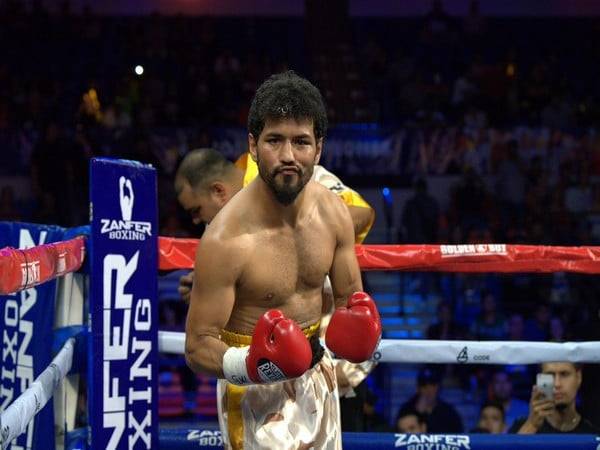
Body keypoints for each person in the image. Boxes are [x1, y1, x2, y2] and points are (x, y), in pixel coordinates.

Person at [184, 71, 382, 449]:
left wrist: (355, 335)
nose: (289, 156)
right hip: (252, 391)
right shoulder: (225, 239)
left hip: (318, 380)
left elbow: (349, 303)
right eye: (275, 140)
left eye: (301, 142)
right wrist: (252, 365)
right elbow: (197, 347)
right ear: (253, 146)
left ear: (318, 150)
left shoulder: (335, 215)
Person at [509, 362, 600, 434]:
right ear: (540, 380)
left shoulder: (592, 435)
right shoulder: (521, 428)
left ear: (578, 377)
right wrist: (532, 425)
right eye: (550, 375)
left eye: (564, 374)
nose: (557, 384)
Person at [397, 367, 463, 433]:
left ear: (438, 386)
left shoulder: (449, 412)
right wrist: (419, 413)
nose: (428, 389)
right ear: (418, 388)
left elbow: (459, 434)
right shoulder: (406, 409)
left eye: (432, 384)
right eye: (424, 385)